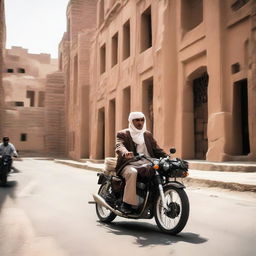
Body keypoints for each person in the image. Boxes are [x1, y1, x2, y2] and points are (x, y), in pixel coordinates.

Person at [115, 112, 167, 214]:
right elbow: (119, 145)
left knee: (163, 169)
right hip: (129, 163)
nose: (140, 123)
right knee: (132, 173)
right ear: (131, 121)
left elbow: (157, 150)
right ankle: (126, 204)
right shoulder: (123, 134)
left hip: (148, 162)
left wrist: (167, 157)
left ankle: (155, 199)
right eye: (137, 120)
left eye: (142, 120)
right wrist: (125, 153)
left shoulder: (147, 134)